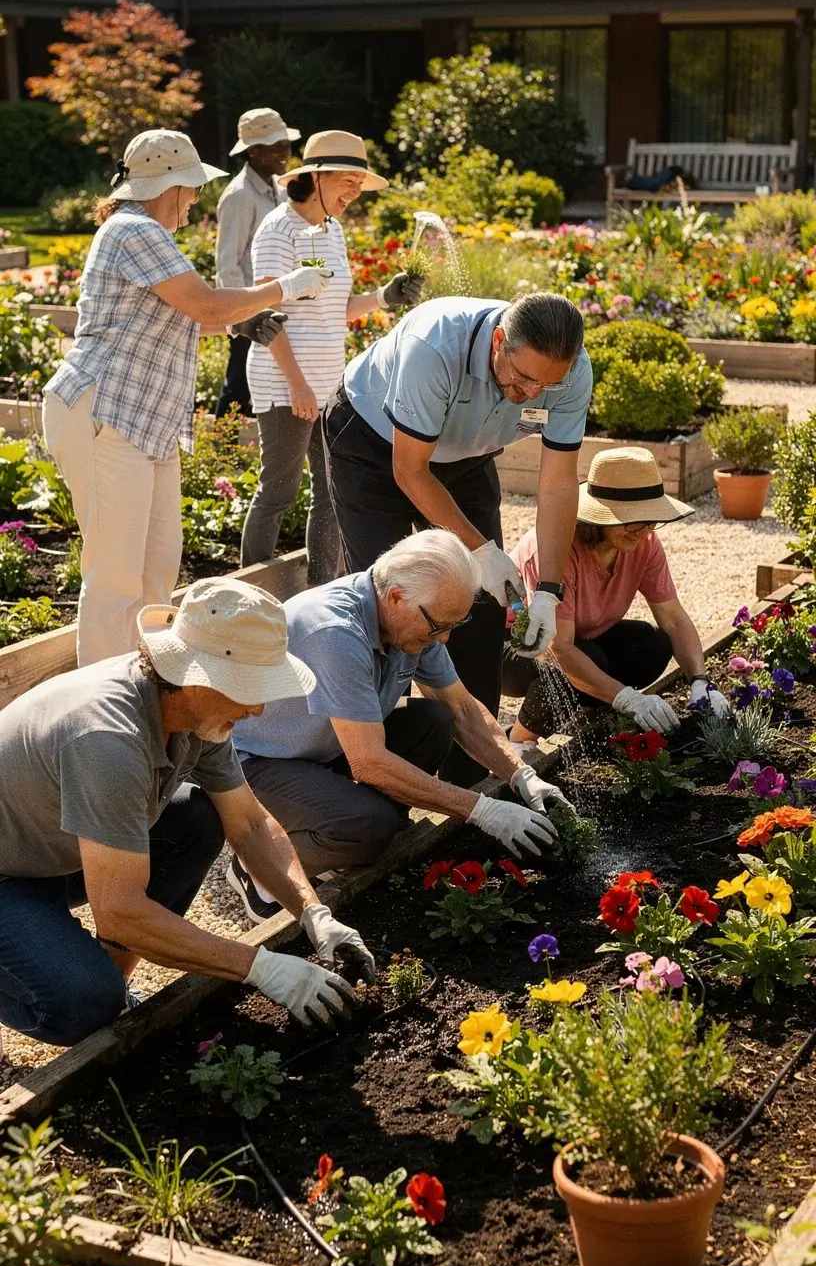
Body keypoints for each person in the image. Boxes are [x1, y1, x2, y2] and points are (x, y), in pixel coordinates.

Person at [0, 576, 376, 1048]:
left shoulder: (197, 718)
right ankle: (94, 996)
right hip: (7, 874)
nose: (258, 708)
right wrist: (258, 966)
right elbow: (117, 912)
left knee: (196, 820)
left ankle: (111, 990)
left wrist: (314, 913)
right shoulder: (108, 741)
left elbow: (251, 824)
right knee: (84, 1003)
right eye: (250, 688)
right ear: (197, 675)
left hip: (48, 847)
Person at [42, 128, 326, 666]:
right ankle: (102, 716)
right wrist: (285, 287)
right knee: (116, 579)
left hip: (142, 422)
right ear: (168, 186)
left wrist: (243, 322)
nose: (197, 198)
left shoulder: (149, 233)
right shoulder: (133, 231)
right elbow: (206, 306)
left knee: (156, 570)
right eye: (192, 188)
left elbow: (176, 317)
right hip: (106, 414)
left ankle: (145, 694)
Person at [228, 530, 573, 922]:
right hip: (258, 763)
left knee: (433, 722)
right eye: (438, 625)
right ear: (395, 597)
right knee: (370, 826)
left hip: (324, 746)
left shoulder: (413, 621)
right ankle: (257, 865)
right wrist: (481, 810)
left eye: (453, 625)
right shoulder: (336, 633)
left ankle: (342, 838)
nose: (443, 639)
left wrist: (522, 775)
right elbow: (368, 763)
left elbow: (461, 708)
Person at [322, 290, 592, 784]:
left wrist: (550, 591)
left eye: (546, 385)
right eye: (523, 378)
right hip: (372, 446)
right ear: (497, 341)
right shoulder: (435, 343)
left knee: (481, 606)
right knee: (387, 608)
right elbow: (409, 471)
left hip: (463, 459)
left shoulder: (569, 373)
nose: (533, 394)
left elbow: (556, 483)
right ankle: (371, 770)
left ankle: (471, 777)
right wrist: (481, 550)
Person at [240, 130, 424, 588]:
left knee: (331, 493)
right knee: (278, 491)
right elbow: (267, 315)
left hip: (328, 382)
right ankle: (244, 595)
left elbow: (337, 305)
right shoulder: (278, 230)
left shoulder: (332, 229)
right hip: (285, 381)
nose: (354, 193)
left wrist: (384, 296)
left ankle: (323, 592)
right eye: (348, 181)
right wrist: (298, 385)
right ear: (316, 178)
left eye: (360, 185)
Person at [502, 447, 731, 745]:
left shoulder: (644, 542)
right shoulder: (555, 547)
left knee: (652, 645)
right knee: (581, 662)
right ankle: (518, 742)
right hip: (514, 647)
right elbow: (557, 648)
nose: (645, 530)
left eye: (651, 520)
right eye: (634, 519)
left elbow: (673, 618)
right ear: (600, 517)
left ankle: (585, 714)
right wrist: (626, 698)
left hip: (578, 640)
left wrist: (701, 682)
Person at [214, 107, 300, 418]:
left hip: (274, 305)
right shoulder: (239, 196)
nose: (284, 152)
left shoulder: (278, 190)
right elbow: (227, 263)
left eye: (285, 144)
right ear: (252, 151)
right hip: (250, 311)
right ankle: (221, 451)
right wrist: (242, 315)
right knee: (238, 385)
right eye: (275, 145)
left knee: (265, 385)